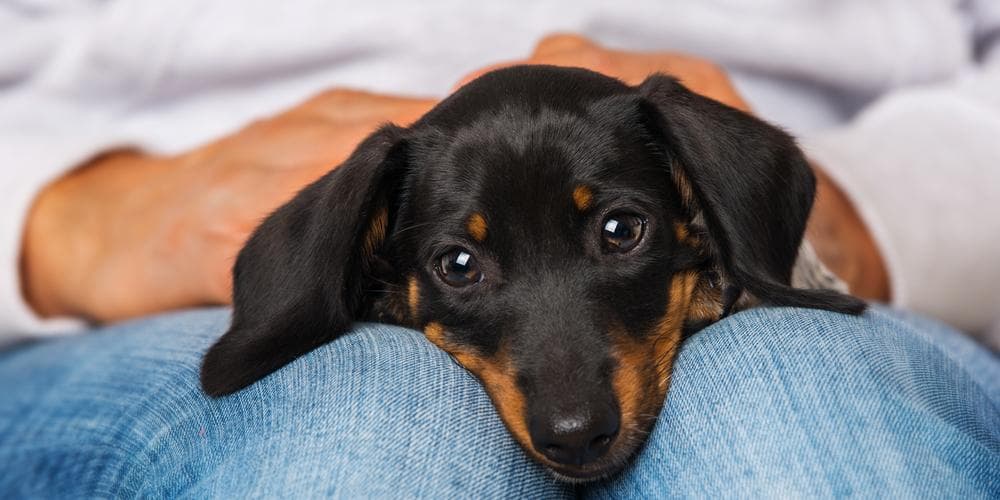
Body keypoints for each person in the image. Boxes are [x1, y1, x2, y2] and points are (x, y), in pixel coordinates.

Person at [1, 2, 998, 497]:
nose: (568, 413)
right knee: (366, 434)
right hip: (132, 281)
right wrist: (62, 214)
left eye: (617, 232)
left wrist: (870, 217)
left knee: (790, 418)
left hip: (806, 238)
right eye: (461, 266)